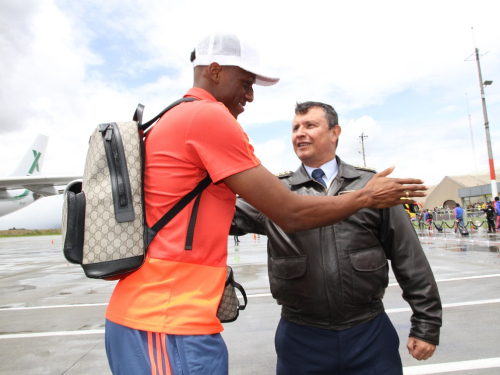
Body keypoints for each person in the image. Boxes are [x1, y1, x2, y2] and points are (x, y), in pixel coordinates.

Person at [103, 33, 426, 375]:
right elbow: (290, 211)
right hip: (166, 319)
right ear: (214, 71)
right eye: (245, 82)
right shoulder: (208, 118)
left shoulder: (173, 117)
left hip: (163, 316)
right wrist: (367, 196)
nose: (250, 95)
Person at [231, 101, 441, 375]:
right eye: (295, 128)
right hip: (301, 337)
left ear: (335, 132)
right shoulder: (275, 192)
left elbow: (409, 258)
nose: (300, 133)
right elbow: (222, 216)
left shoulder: (372, 187)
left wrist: (426, 324)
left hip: (368, 332)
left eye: (310, 125)